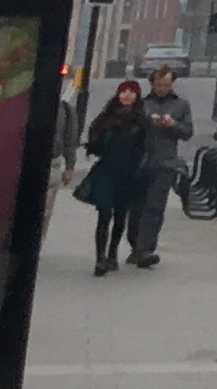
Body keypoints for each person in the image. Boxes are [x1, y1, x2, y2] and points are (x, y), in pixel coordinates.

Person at [75, 80, 148, 276]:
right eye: (123, 91)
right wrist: (94, 144)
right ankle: (100, 258)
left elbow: (145, 147)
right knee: (104, 213)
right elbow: (96, 141)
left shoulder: (140, 121)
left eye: (131, 92)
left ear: (137, 96)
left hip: (129, 173)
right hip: (107, 170)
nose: (127, 95)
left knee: (120, 214)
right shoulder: (107, 118)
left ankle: (112, 253)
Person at [128, 76, 192, 266]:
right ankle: (135, 245)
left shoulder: (181, 105)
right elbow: (129, 128)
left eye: (166, 85)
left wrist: (173, 125)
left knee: (155, 207)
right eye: (159, 85)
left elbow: (187, 132)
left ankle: (145, 249)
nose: (162, 88)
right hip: (140, 161)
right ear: (152, 84)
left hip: (166, 162)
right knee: (136, 207)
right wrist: (147, 122)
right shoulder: (142, 104)